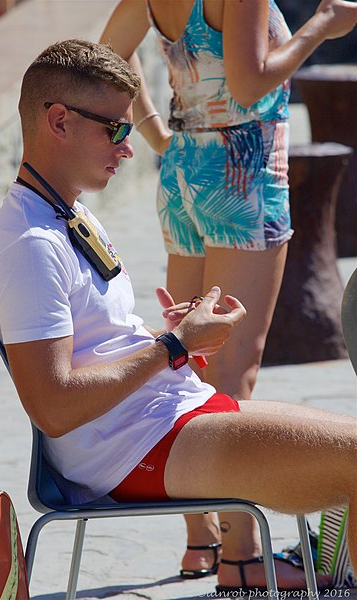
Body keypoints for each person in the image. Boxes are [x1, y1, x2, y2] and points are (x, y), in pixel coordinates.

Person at [0, 38, 356, 595]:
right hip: (134, 447)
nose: (128, 149)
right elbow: (53, 406)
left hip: (161, 423)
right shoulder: (29, 244)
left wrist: (172, 335)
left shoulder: (63, 212)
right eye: (116, 129)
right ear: (58, 121)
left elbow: (91, 350)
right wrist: (172, 347)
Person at [99, 0, 357, 588]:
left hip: (186, 167)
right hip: (242, 167)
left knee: (185, 359)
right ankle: (242, 556)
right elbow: (249, 84)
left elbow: (110, 55)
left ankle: (200, 538)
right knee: (234, 369)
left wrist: (156, 132)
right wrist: (323, 26)